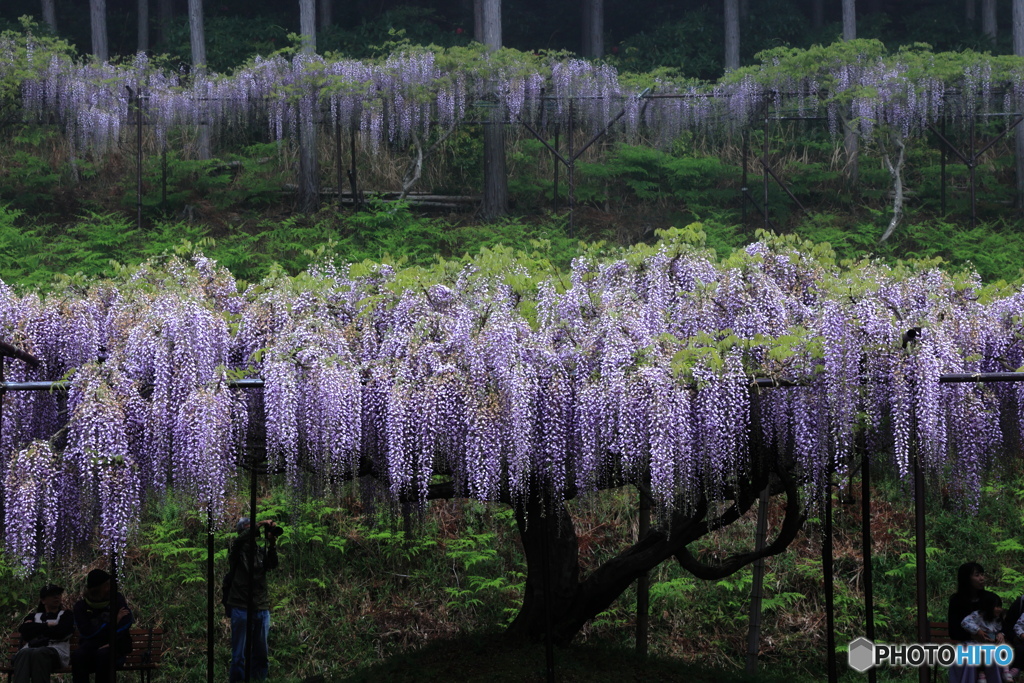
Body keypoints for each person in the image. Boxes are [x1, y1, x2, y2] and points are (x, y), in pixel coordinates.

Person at [224, 516, 279, 683]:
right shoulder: (236, 550)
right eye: (249, 528)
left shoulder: (259, 552)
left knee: (261, 653)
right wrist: (261, 524)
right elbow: (241, 540)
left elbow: (273, 565)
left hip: (261, 607)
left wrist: (272, 543)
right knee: (239, 655)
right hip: (240, 606)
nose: (253, 531)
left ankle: (258, 680)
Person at [71, 569, 133, 683]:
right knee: (77, 656)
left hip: (114, 648)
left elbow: (127, 621)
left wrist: (111, 642)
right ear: (97, 589)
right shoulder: (81, 607)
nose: (110, 588)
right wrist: (113, 622)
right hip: (90, 648)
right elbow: (87, 632)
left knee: (103, 655)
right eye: (106, 585)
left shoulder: (117, 599)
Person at [948, 562, 1004, 683]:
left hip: (990, 643)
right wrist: (974, 635)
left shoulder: (990, 598)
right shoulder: (957, 601)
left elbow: (1000, 623)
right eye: (977, 575)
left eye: (982, 574)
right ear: (966, 578)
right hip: (966, 643)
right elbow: (953, 630)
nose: (982, 578)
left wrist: (1000, 634)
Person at [13, 584, 73, 683]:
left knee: (39, 653)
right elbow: (24, 631)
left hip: (56, 653)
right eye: (52, 594)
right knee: (23, 652)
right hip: (31, 653)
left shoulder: (66, 615)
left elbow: (62, 632)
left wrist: (36, 629)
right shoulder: (33, 616)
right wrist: (47, 625)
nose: (56, 597)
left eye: (58, 594)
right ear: (43, 600)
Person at [961, 593, 1014, 682]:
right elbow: (965, 622)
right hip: (976, 642)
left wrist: (1000, 634)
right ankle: (981, 674)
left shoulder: (996, 618)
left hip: (991, 642)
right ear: (988, 606)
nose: (999, 609)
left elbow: (1001, 629)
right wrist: (978, 630)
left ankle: (1006, 671)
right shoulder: (977, 615)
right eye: (996, 606)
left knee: (1004, 647)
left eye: (1000, 606)